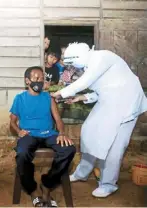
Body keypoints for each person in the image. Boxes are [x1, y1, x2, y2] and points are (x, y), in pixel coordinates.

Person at [51, 42, 147, 198]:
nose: (73, 67)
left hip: (128, 105)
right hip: (110, 102)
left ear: (78, 57)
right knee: (89, 130)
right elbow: (104, 89)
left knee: (114, 146)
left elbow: (85, 82)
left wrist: (61, 93)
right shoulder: (88, 66)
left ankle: (108, 184)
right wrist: (81, 97)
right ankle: (82, 172)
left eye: (72, 63)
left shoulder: (102, 57)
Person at [10, 66, 76, 207]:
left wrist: (62, 133)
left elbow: (58, 120)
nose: (40, 81)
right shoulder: (20, 98)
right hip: (29, 134)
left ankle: (47, 184)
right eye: (36, 78)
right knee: (22, 154)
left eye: (42, 78)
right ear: (27, 81)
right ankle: (32, 190)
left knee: (68, 149)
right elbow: (12, 121)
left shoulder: (48, 98)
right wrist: (18, 131)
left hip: (48, 134)